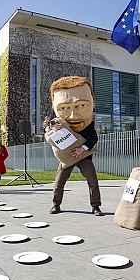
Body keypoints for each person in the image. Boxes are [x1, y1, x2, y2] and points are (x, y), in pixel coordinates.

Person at [49, 76, 103, 216]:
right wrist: (54, 129)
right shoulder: (58, 123)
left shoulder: (88, 124)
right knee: (59, 181)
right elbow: (50, 134)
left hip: (84, 156)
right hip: (67, 158)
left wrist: (82, 148)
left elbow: (93, 138)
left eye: (81, 105)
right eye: (64, 107)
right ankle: (56, 205)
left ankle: (96, 206)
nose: (73, 115)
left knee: (92, 181)